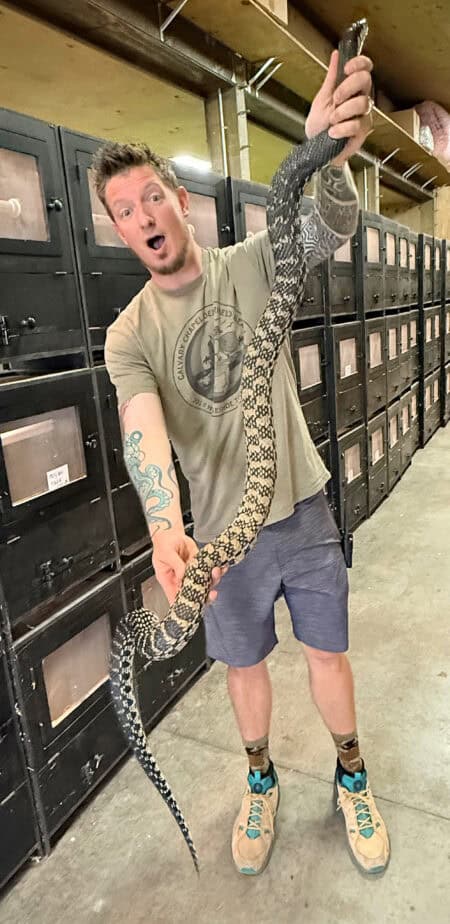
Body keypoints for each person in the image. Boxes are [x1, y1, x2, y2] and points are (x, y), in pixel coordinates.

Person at [97, 48, 390, 877]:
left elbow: (328, 228)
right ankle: (260, 778)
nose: (144, 213)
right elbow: (142, 427)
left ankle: (352, 772)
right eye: (125, 209)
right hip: (221, 537)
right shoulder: (130, 335)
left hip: (300, 508)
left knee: (328, 652)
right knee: (243, 666)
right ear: (118, 231)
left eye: (153, 193)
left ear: (180, 201)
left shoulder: (251, 265)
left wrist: (327, 159)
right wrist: (165, 526)